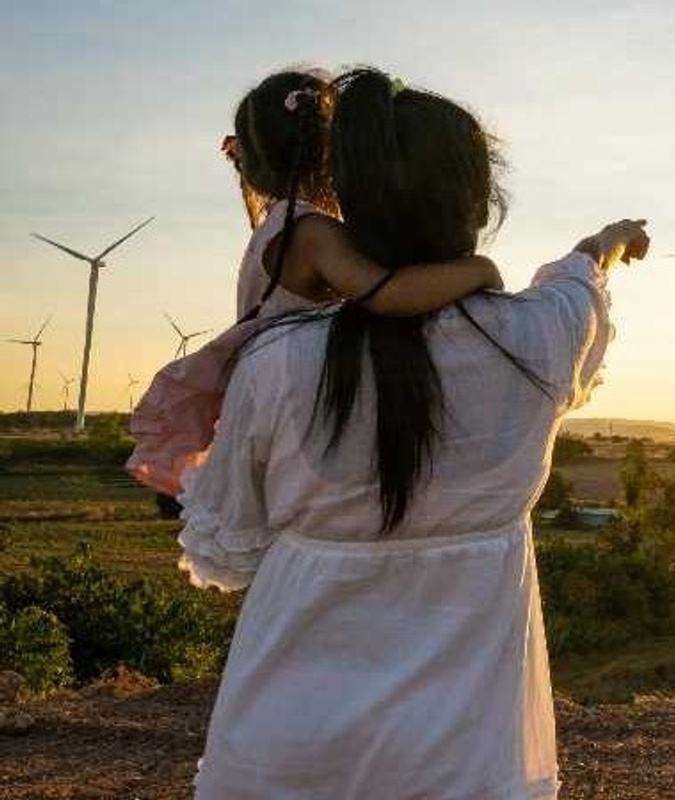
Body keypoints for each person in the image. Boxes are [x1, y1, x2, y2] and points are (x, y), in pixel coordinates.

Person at [177, 66, 648, 799]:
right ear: (479, 201)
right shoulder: (541, 336)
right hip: (467, 754)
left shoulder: (274, 362)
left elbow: (226, 548)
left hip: (287, 741)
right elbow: (580, 273)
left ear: (349, 206)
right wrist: (614, 238)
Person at [128, 69, 501, 499]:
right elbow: (385, 293)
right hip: (295, 398)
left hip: (271, 393)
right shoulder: (313, 233)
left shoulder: (278, 225)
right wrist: (479, 270)